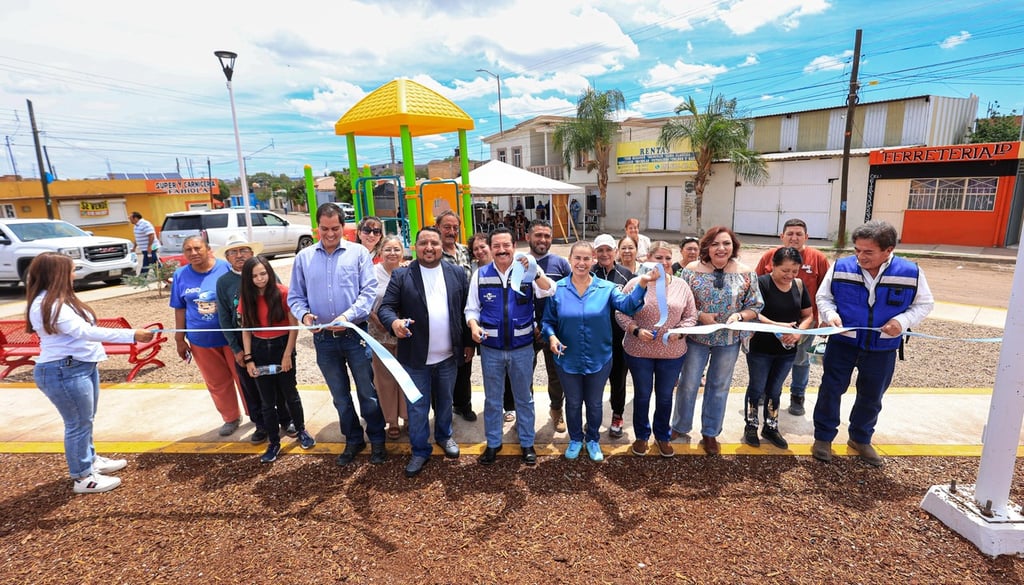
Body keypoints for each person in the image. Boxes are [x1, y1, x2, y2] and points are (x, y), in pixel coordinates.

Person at [26, 252, 155, 493]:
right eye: (71, 270)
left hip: (77, 367)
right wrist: (131, 335)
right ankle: (83, 477)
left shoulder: (59, 300)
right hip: (64, 370)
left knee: (85, 420)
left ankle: (91, 461)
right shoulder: (50, 304)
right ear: (57, 274)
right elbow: (84, 332)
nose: (74, 274)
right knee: (77, 424)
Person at [812, 221, 934, 467]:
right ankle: (823, 438)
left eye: (868, 252)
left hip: (883, 347)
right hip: (843, 343)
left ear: (888, 250)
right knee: (831, 390)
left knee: (872, 395)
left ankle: (861, 438)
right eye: (857, 250)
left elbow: (924, 304)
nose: (860, 257)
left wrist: (902, 321)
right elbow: (824, 297)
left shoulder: (911, 272)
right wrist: (830, 315)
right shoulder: (840, 267)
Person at [289, 203, 386, 467]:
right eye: (324, 229)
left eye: (335, 228)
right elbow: (295, 297)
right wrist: (305, 315)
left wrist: (347, 317)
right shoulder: (304, 258)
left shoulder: (358, 254)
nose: (330, 234)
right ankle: (354, 440)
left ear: (343, 227)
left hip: (355, 335)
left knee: (367, 392)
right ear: (316, 227)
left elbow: (368, 292)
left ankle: (378, 440)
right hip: (323, 340)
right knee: (340, 396)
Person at [542, 241, 658, 462]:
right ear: (570, 260)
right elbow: (548, 321)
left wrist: (642, 283)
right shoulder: (558, 290)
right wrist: (552, 336)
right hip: (567, 358)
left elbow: (629, 306)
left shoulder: (607, 289)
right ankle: (576, 439)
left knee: (594, 402)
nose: (582, 263)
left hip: (599, 357)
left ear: (593, 259)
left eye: (587, 258)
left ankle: (593, 439)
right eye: (578, 258)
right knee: (574, 402)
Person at [379, 227, 472, 477]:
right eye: (423, 243)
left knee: (445, 402)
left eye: (434, 243)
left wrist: (468, 344)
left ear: (442, 246)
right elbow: (386, 308)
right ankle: (420, 450)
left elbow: (465, 312)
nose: (428, 248)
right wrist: (394, 323)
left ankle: (444, 436)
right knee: (417, 407)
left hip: (448, 357)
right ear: (415, 247)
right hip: (415, 358)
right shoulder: (402, 275)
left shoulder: (456, 273)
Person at [670, 226, 763, 456]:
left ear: (733, 246)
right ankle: (680, 425)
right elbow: (682, 301)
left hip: (728, 340)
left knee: (719, 386)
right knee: (688, 382)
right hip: (696, 338)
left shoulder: (745, 272)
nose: (721, 249)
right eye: (715, 244)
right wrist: (700, 315)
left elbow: (755, 306)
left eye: (726, 244)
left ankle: (710, 432)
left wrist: (739, 316)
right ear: (707, 247)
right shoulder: (691, 271)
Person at [466, 228, 556, 466]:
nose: (502, 250)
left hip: (522, 348)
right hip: (491, 349)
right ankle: (494, 443)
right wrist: (473, 326)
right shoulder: (481, 274)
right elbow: (471, 309)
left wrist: (535, 271)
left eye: (506, 245)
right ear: (491, 248)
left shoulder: (527, 271)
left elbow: (550, 290)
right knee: (493, 400)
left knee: (524, 398)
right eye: (497, 246)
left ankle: (527, 443)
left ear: (514, 247)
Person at [616, 241, 698, 458]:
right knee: (642, 395)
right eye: (658, 258)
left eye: (667, 258)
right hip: (639, 351)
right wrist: (635, 330)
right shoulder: (636, 284)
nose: (663, 262)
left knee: (664, 396)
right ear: (648, 259)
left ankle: (662, 434)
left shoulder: (681, 285)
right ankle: (642, 435)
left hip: (671, 353)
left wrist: (681, 332)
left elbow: (691, 316)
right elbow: (621, 313)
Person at [215, 234, 294, 444]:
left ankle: (287, 419)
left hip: (270, 341)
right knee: (251, 386)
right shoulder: (223, 282)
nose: (239, 256)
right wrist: (236, 349)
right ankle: (261, 425)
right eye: (233, 252)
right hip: (243, 342)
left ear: (251, 253)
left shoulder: (267, 273)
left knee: (278, 383)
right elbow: (224, 316)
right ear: (228, 257)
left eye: (243, 251)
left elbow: (281, 303)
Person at [239, 256, 315, 463]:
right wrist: (249, 359)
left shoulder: (282, 292)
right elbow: (246, 330)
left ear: (269, 272)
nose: (260, 279)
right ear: (248, 278)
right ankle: (274, 442)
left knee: (291, 393)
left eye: (263, 273)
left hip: (282, 345)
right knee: (267, 402)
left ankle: (301, 430)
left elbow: (293, 326)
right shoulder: (246, 298)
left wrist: (287, 354)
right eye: (254, 276)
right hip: (259, 349)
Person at [170, 235, 246, 436]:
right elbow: (179, 309)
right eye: (188, 250)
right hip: (201, 341)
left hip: (232, 338)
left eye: (197, 248)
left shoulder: (225, 268)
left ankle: (256, 414)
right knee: (217, 382)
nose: (193, 253)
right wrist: (180, 339)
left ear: (208, 249)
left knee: (244, 378)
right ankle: (230, 417)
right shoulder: (180, 275)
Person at [755, 218, 831, 416]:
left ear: (806, 237)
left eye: (799, 234)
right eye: (790, 233)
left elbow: (827, 290)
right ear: (782, 236)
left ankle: (797, 396)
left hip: (804, 321)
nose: (794, 238)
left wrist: (822, 317)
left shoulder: (818, 258)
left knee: (800, 360)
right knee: (766, 359)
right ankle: (763, 391)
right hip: (770, 322)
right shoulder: (769, 257)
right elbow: (753, 287)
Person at [743, 247, 813, 450]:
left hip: (787, 349)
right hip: (761, 347)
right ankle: (751, 424)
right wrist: (778, 325)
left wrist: (799, 332)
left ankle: (771, 426)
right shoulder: (761, 283)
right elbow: (753, 312)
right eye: (784, 270)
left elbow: (808, 315)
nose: (789, 276)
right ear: (772, 266)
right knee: (757, 387)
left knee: (775, 389)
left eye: (794, 271)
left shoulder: (798, 285)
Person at [527, 219, 572, 433]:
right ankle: (525, 414)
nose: (543, 240)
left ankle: (556, 410)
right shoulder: (520, 263)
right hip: (526, 331)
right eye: (538, 235)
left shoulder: (561, 264)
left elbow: (567, 296)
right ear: (528, 237)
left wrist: (548, 325)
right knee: (525, 374)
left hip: (555, 330)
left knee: (556, 375)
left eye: (546, 236)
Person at [469, 232, 516, 422]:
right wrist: (474, 326)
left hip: (516, 339)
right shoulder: (476, 273)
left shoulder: (520, 270)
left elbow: (546, 290)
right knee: (493, 381)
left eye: (483, 247)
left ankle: (510, 407)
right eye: (476, 249)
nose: (480, 251)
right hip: (488, 336)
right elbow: (472, 307)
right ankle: (494, 436)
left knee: (516, 381)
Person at [591, 233, 634, 439]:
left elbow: (634, 305)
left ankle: (617, 415)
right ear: (595, 253)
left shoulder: (627, 275)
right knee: (593, 381)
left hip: (618, 339)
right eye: (600, 250)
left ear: (615, 252)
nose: (605, 254)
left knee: (618, 380)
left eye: (609, 249)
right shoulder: (589, 274)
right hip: (593, 339)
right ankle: (592, 417)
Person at [435, 210, 476, 423]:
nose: (451, 231)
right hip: (442, 317)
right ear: (438, 228)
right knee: (443, 363)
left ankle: (462, 404)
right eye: (446, 227)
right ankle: (443, 408)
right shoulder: (433, 252)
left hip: (466, 316)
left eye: (454, 227)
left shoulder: (466, 252)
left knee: (465, 363)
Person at [368, 235, 409, 440]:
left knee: (407, 375)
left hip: (405, 333)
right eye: (388, 249)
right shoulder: (372, 273)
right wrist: (379, 322)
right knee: (384, 378)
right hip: (380, 332)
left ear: (402, 252)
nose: (392, 253)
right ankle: (391, 420)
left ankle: (407, 416)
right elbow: (364, 300)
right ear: (380, 251)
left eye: (396, 249)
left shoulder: (408, 271)